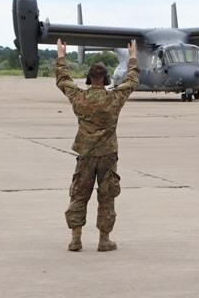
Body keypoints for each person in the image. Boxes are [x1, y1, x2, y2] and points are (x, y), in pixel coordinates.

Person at [55, 38, 140, 252]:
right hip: (107, 155)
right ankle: (104, 239)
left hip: (85, 155)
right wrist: (132, 58)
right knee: (107, 196)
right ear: (107, 78)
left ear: (88, 78)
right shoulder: (114, 98)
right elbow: (132, 80)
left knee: (79, 194)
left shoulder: (79, 98)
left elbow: (63, 80)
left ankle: (76, 239)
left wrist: (61, 57)